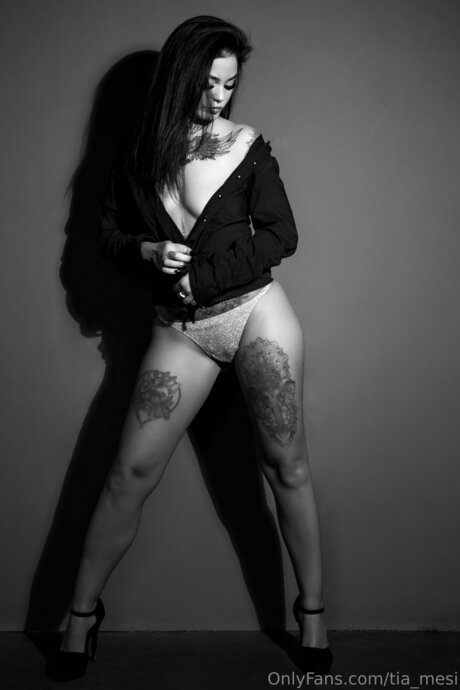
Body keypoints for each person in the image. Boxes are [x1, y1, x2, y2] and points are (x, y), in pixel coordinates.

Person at [46, 15, 333, 681]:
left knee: (286, 466)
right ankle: (80, 617)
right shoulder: (137, 152)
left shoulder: (247, 145)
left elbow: (281, 235)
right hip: (180, 330)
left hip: (254, 313)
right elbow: (106, 234)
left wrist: (203, 277)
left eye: (229, 85)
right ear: (181, 77)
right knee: (129, 474)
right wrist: (147, 250)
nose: (219, 98)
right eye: (208, 84)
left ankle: (313, 613)